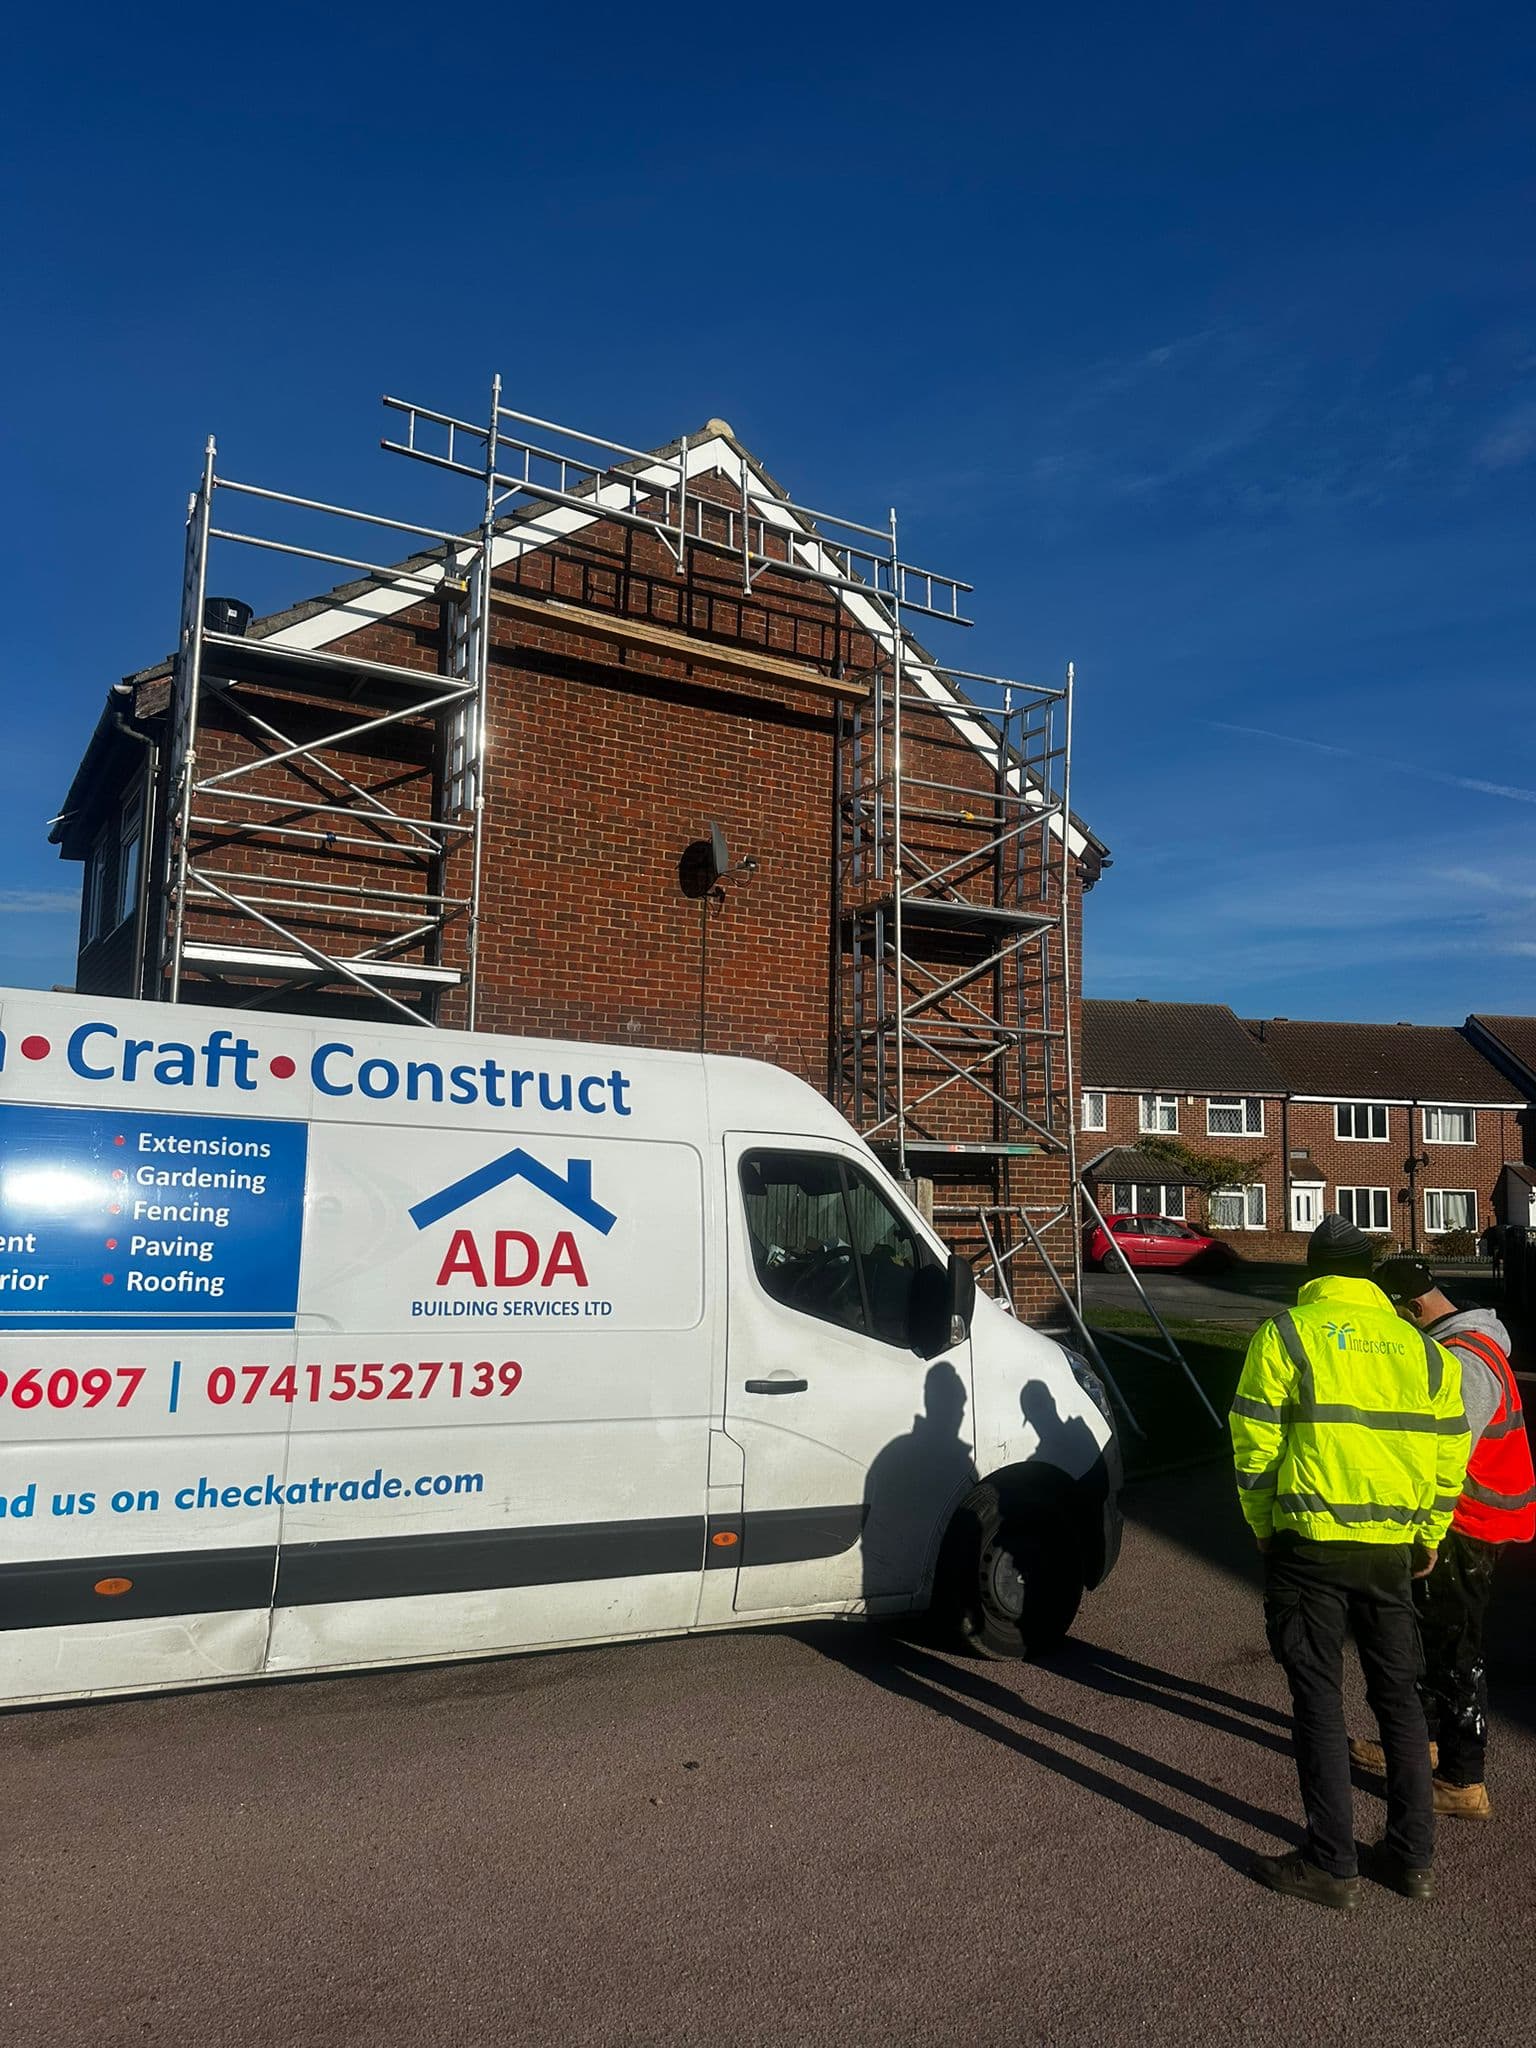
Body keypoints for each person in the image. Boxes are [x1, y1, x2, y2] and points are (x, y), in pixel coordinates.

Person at [1229, 1214, 1471, 1909]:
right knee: (1398, 1700)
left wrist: (1263, 1529)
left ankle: (1332, 1864)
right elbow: (1451, 1446)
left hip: (1310, 1543)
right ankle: (1412, 1858)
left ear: (1313, 1272)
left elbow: (1254, 1441)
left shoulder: (1287, 1334)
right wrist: (1430, 1531)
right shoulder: (1422, 1349)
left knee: (1319, 1700)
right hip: (1391, 1549)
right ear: (1368, 1273)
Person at [1353, 1258, 1535, 1819]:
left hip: (1468, 1523)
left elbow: (1446, 1454)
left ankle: (1461, 1780)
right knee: (1431, 1639)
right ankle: (1423, 1743)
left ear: (1413, 1310)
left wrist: (1420, 1525)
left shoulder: (1464, 1361)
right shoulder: (1468, 1345)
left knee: (1455, 1650)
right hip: (1466, 1518)